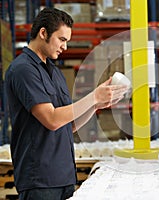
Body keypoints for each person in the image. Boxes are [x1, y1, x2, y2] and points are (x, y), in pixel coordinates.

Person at [5, 8, 128, 199]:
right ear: (43, 33)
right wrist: (94, 97)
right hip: (40, 180)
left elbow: (67, 125)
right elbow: (52, 119)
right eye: (62, 40)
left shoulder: (54, 72)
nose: (65, 47)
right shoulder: (23, 70)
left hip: (64, 177)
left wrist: (95, 105)